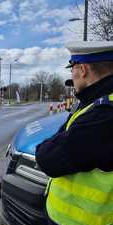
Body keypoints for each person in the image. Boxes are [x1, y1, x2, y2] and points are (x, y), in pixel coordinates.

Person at [35, 41, 113, 225]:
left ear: (83, 69)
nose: (72, 75)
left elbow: (48, 159)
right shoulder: (96, 102)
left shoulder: (105, 114)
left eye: (72, 69)